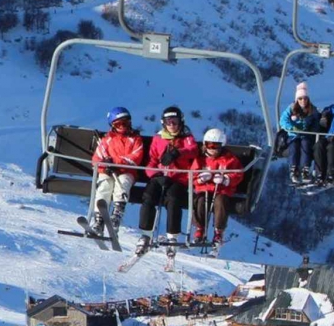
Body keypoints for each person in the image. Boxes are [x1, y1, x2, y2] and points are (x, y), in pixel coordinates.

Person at [137, 105, 198, 249]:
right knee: (149, 197)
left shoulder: (186, 137)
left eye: (175, 122)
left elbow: (193, 150)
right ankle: (146, 234)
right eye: (168, 121)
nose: (171, 125)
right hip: (160, 177)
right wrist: (155, 174)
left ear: (181, 122)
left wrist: (177, 153)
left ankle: (172, 236)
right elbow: (152, 160)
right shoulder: (159, 138)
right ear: (163, 123)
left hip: (178, 178)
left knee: (173, 199)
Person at [91, 106, 144, 232]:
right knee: (104, 186)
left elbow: (136, 157)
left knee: (122, 184)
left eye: (125, 123)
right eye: (118, 124)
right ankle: (99, 219)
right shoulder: (107, 139)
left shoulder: (135, 139)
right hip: (108, 171)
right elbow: (96, 159)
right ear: (113, 125)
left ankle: (116, 214)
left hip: (126, 171)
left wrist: (116, 163)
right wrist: (105, 167)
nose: (122, 126)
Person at [190, 128, 242, 247]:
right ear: (205, 144)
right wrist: (200, 179)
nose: (212, 149)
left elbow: (238, 174)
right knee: (199, 201)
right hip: (204, 189)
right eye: (209, 145)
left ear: (222, 146)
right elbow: (192, 175)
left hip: (221, 190)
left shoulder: (229, 159)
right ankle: (199, 229)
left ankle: (218, 231)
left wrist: (226, 179)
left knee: (221, 202)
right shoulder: (200, 159)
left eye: (216, 146)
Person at [280, 82, 321, 185]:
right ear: (297, 99)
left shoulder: (312, 110)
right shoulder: (291, 108)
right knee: (294, 146)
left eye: (305, 98)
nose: (303, 101)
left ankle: (305, 169)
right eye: (300, 99)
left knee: (306, 145)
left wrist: (311, 131)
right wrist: (291, 127)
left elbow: (316, 123)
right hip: (293, 135)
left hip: (306, 136)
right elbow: (283, 121)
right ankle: (294, 169)